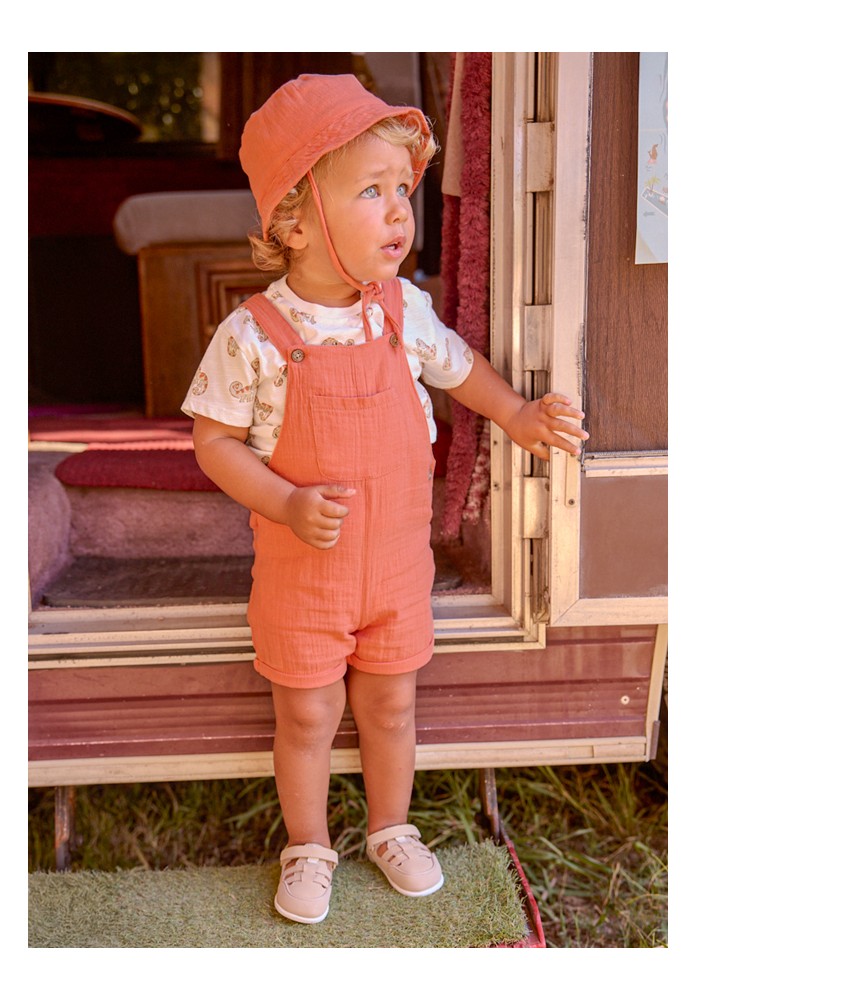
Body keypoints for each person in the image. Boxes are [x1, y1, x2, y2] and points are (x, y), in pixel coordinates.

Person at [182, 74, 587, 924]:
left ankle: (391, 828)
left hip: (397, 570)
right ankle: (307, 845)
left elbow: (459, 369)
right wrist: (284, 502)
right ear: (294, 221)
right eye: (372, 191)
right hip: (305, 575)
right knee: (308, 714)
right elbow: (213, 443)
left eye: (403, 189)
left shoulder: (402, 312)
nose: (400, 210)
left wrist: (516, 414)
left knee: (392, 705)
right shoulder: (256, 333)